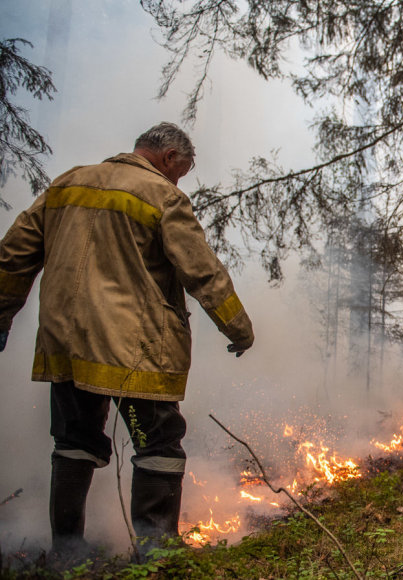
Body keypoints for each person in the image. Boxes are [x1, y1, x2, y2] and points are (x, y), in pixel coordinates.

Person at [0, 122, 255, 555]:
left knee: (74, 443)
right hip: (135, 351)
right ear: (169, 157)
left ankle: (67, 552)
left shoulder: (66, 184)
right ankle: (156, 554)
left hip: (66, 347)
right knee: (158, 444)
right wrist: (239, 328)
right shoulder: (162, 195)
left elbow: (13, 257)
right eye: (181, 171)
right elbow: (201, 270)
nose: (177, 180)